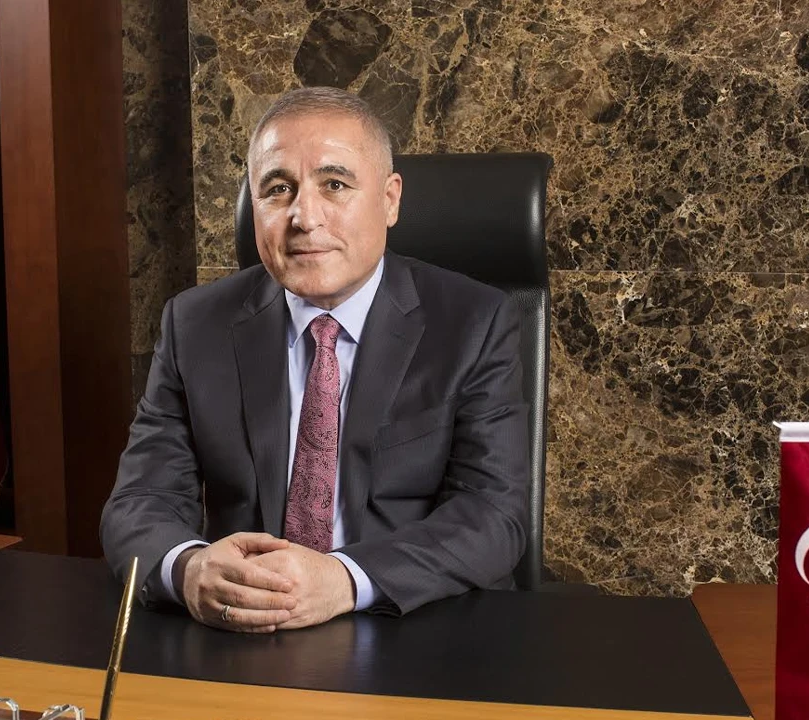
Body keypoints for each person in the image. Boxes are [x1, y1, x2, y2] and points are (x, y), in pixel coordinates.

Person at [100, 86, 530, 632]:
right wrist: (188, 567)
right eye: (278, 189)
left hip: (413, 626)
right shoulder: (195, 324)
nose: (304, 216)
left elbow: (493, 515)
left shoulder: (474, 322)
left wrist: (343, 579)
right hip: (244, 630)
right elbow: (140, 500)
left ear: (390, 199)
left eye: (335, 184)